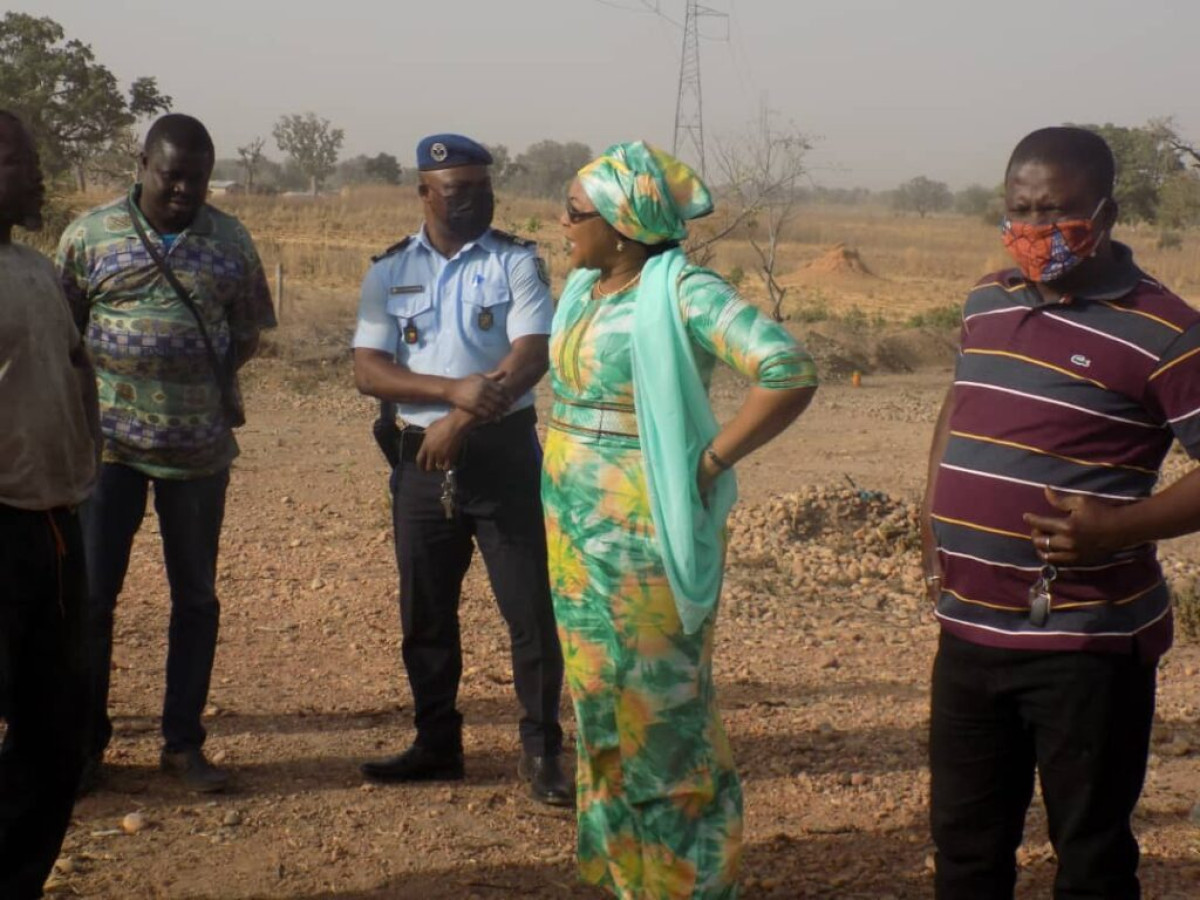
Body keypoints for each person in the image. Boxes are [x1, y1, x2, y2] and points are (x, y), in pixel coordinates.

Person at [922, 126, 1200, 899]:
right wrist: (929, 507)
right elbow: (959, 401)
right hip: (969, 632)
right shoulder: (987, 299)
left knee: (1090, 857)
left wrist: (1117, 528)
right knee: (965, 850)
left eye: (1057, 211)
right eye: (1022, 210)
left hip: (1086, 645)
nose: (1037, 231)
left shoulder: (1167, 331)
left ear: (1106, 214)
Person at [545, 141, 818, 898]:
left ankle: (688, 884)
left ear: (623, 223)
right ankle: (624, 875)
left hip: (643, 536)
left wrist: (709, 460)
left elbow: (786, 369)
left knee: (661, 716)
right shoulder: (586, 290)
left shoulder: (684, 291)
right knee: (598, 699)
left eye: (574, 212)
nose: (561, 223)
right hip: (571, 531)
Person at [57, 113, 276, 794]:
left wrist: (184, 379)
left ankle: (183, 745)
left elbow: (247, 333)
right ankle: (85, 747)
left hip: (199, 453)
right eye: (172, 174)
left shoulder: (231, 239)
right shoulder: (89, 236)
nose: (184, 189)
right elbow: (66, 332)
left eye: (198, 178)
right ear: (144, 165)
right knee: (91, 600)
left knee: (197, 599)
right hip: (108, 453)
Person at [353, 133, 569, 806]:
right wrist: (451, 395)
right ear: (424, 193)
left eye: (483, 189)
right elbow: (369, 370)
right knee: (425, 613)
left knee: (530, 613)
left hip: (502, 457)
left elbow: (532, 353)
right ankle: (436, 744)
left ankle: (541, 755)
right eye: (456, 190)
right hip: (419, 462)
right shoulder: (388, 271)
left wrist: (464, 419)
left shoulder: (515, 264)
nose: (473, 200)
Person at [0, 110, 98, 898]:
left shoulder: (35, 270)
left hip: (57, 526)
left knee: (54, 733)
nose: (36, 175)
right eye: (17, 161)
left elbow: (74, 366)